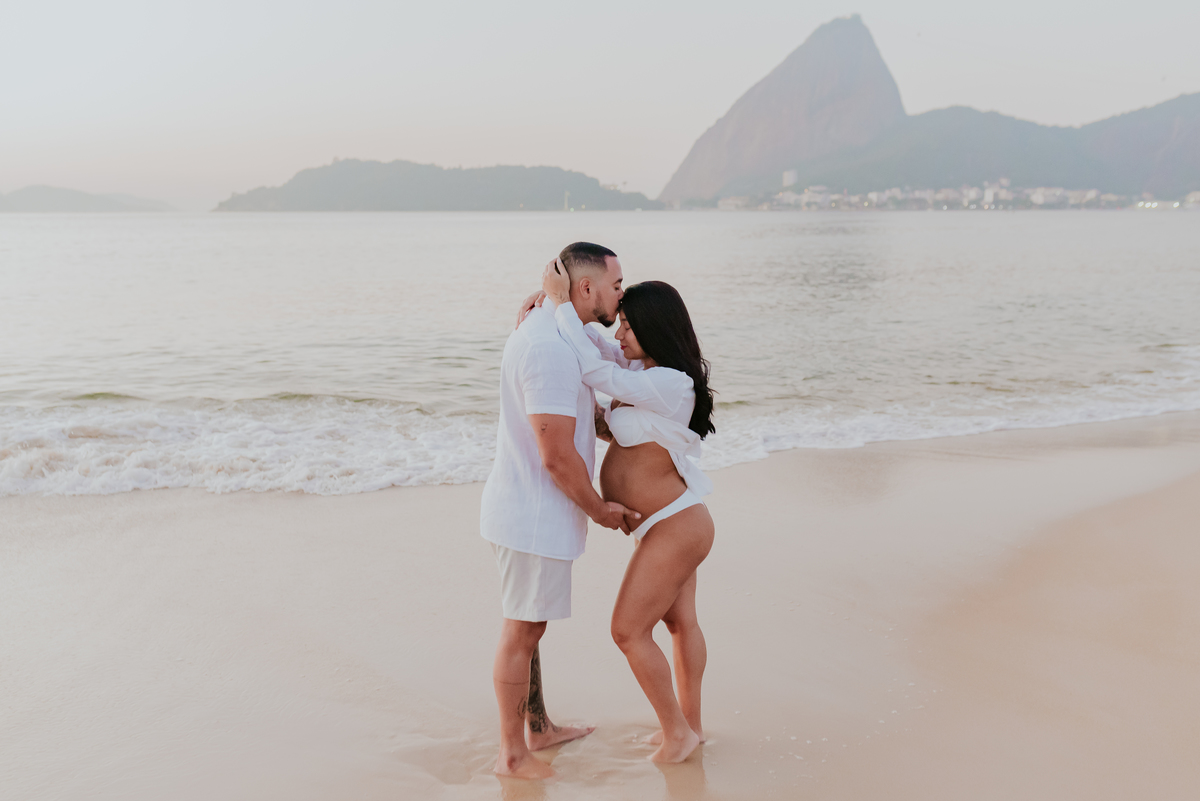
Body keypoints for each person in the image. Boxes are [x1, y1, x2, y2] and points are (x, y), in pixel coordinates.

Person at [536, 258, 717, 764]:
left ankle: (677, 734)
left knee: (626, 631)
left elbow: (594, 367)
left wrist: (558, 304)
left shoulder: (672, 383)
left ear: (655, 329)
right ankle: (690, 728)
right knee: (681, 624)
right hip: (669, 524)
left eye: (631, 326)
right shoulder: (642, 370)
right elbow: (599, 351)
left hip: (677, 525)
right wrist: (556, 312)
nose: (620, 333)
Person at [480, 242, 641, 780]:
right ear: (586, 288)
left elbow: (574, 415)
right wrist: (598, 509)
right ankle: (511, 755)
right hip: (532, 512)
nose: (622, 292)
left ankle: (539, 728)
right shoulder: (547, 345)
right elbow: (554, 453)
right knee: (522, 632)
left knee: (532, 627)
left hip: (533, 509)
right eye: (616, 284)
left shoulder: (559, 332)